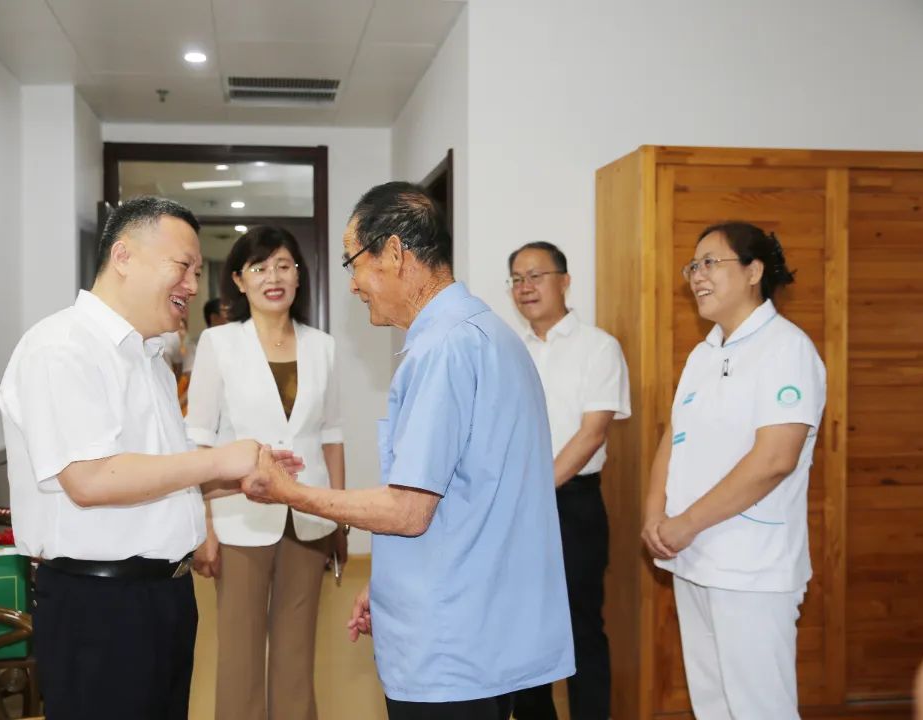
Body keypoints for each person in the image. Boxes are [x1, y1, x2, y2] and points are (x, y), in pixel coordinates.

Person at [241, 182, 574, 720]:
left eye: (353, 262)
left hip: (451, 646)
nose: (353, 284)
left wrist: (288, 492)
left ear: (394, 253)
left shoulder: (444, 350)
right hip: (490, 626)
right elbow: (471, 492)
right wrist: (389, 586)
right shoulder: (491, 333)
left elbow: (409, 510)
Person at [0, 196, 300, 720]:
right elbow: (90, 480)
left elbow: (159, 474)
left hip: (166, 597)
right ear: (124, 256)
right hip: (100, 606)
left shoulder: (149, 357)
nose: (192, 285)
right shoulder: (61, 347)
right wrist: (218, 461)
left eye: (197, 272)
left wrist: (238, 478)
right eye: (183, 266)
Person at [642, 221, 826, 719]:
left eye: (710, 263)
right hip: (694, 558)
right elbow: (673, 436)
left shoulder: (786, 348)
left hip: (751, 566)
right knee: (713, 705)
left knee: (759, 709)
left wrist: (685, 523)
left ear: (753, 271)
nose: (697, 276)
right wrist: (655, 514)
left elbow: (775, 459)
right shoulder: (704, 354)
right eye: (693, 266)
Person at [185, 226, 346, 720]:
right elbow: (199, 440)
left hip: (309, 514)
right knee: (240, 653)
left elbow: (331, 435)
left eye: (283, 266)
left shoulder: (323, 346)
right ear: (239, 280)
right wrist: (205, 527)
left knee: (297, 652)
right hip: (238, 517)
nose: (273, 277)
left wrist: (339, 516)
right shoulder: (218, 343)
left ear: (299, 275)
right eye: (259, 267)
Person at [508, 241, 630, 720]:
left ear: (565, 280)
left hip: (572, 504)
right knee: (522, 630)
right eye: (517, 279)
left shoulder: (598, 347)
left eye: (536, 275)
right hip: (516, 505)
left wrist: (536, 490)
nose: (525, 287)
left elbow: (592, 432)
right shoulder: (510, 351)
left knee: (580, 628)